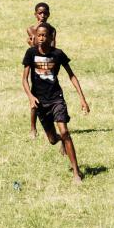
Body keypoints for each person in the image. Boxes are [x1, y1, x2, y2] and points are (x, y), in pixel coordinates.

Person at [21, 24, 90, 181]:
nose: (42, 38)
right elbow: (24, 80)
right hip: (40, 102)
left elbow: (72, 76)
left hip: (56, 98)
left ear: (51, 38)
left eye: (45, 35)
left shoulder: (58, 54)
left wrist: (82, 99)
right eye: (39, 35)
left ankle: (76, 173)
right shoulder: (30, 53)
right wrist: (30, 97)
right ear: (36, 37)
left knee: (65, 131)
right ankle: (61, 141)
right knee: (53, 139)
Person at [25, 3, 57, 139]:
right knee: (35, 96)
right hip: (35, 64)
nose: (42, 16)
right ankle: (33, 128)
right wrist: (32, 44)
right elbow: (34, 48)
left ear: (48, 14)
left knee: (49, 96)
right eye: (40, 13)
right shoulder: (31, 29)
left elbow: (52, 46)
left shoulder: (52, 30)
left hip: (49, 63)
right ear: (35, 14)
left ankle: (48, 128)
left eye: (45, 13)